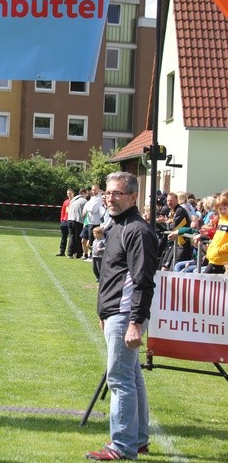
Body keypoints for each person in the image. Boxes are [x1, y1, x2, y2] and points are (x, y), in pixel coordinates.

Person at [86, 171, 159, 461]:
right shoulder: (117, 225)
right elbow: (112, 274)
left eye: (117, 193)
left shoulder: (137, 231)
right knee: (132, 377)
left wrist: (134, 322)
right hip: (116, 313)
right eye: (108, 192)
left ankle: (122, 446)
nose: (110, 198)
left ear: (133, 197)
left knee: (120, 380)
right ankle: (138, 440)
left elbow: (143, 281)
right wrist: (104, 312)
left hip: (126, 314)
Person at [161, 192, 191, 271]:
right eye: (168, 201)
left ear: (177, 200)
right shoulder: (171, 211)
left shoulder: (180, 211)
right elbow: (168, 226)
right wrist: (167, 222)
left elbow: (173, 226)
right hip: (174, 244)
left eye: (171, 201)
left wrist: (166, 222)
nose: (169, 203)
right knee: (164, 266)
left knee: (173, 268)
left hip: (182, 245)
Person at [201, 190, 228, 274]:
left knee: (204, 279)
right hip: (214, 257)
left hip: (220, 259)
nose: (222, 211)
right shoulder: (221, 220)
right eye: (220, 209)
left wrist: (220, 250)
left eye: (225, 208)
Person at [67, 187, 89, 259]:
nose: (88, 195)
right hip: (78, 220)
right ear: (83, 193)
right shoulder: (84, 201)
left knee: (72, 237)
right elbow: (86, 212)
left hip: (69, 219)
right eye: (87, 193)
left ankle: (70, 253)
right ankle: (78, 254)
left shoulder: (73, 200)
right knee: (78, 238)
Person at [57, 189, 74, 256]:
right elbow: (63, 211)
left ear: (73, 193)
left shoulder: (75, 201)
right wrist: (62, 219)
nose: (69, 195)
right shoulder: (65, 202)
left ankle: (71, 252)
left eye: (70, 193)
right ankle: (62, 251)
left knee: (72, 237)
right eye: (68, 193)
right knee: (64, 237)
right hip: (64, 221)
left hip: (71, 220)